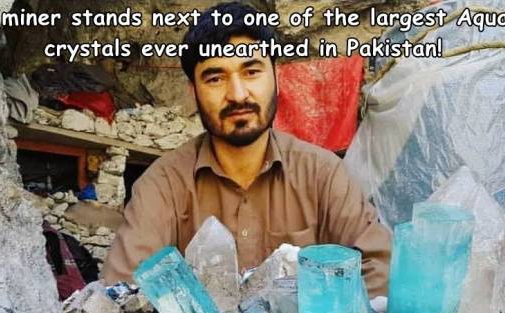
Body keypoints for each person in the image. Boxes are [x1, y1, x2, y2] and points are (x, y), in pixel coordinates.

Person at [102, 1, 392, 296]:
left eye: (251, 72)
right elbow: (123, 292)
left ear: (276, 79)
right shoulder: (161, 186)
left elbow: (377, 271)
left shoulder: (323, 174)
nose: (238, 95)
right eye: (215, 78)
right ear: (194, 92)